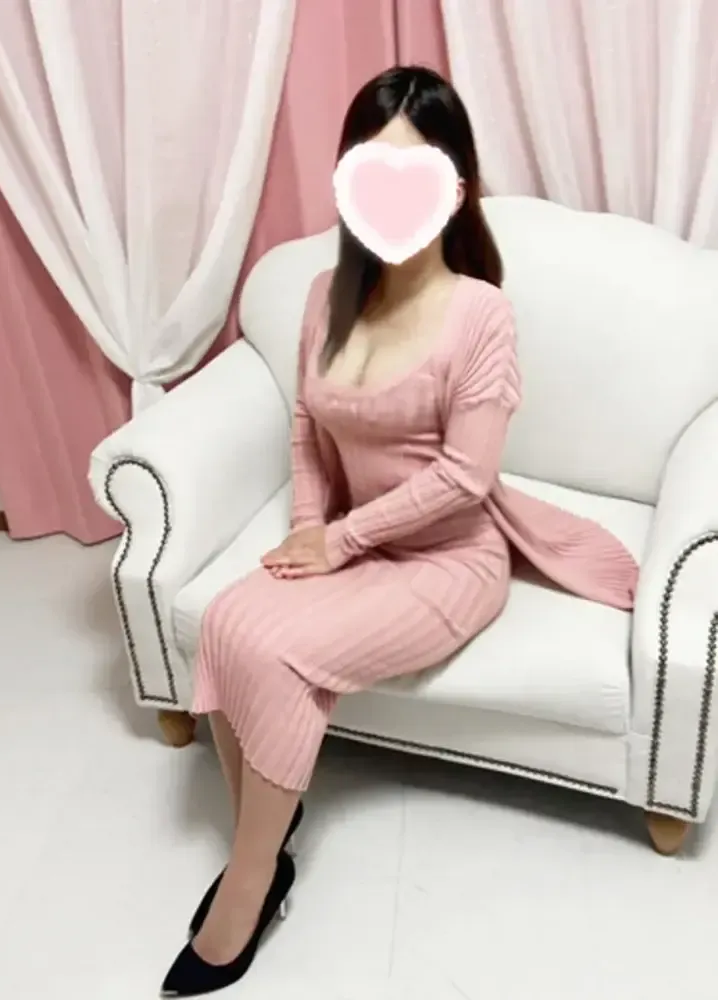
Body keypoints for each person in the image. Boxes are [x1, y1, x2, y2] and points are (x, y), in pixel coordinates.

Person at [161, 65, 638, 996]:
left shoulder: (480, 313)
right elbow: (306, 429)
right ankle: (270, 835)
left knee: (278, 654)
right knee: (224, 621)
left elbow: (466, 478)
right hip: (347, 537)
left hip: (449, 558)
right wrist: (310, 527)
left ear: (454, 190)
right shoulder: (322, 298)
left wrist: (337, 544)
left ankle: (251, 882)